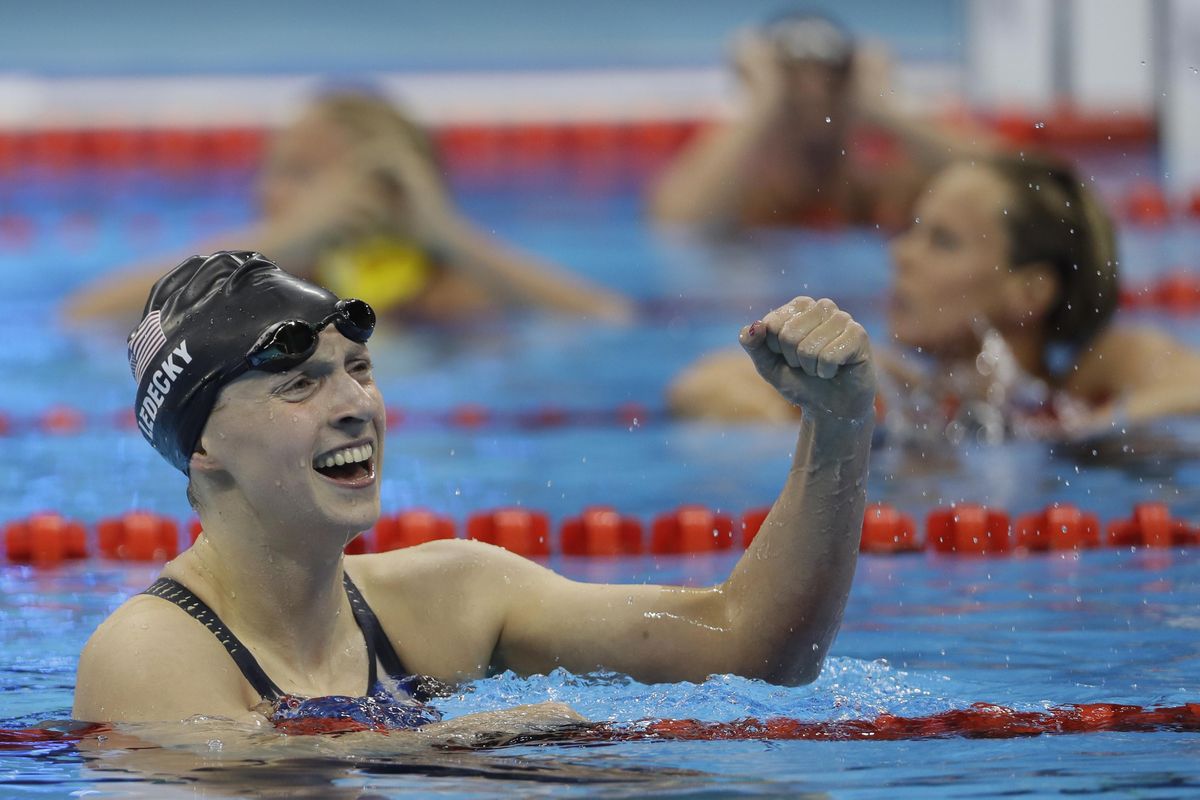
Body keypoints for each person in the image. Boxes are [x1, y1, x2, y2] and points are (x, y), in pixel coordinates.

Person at [72, 251, 876, 726]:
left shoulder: (451, 595)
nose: (355, 405)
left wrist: (837, 428)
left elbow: (752, 646)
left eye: (358, 370)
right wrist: (474, 745)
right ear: (203, 442)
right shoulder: (148, 657)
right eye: (301, 385)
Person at [669, 154, 1200, 433]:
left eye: (942, 241)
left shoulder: (1096, 379)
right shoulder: (901, 398)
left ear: (1028, 292)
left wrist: (1077, 430)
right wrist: (840, 424)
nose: (901, 254)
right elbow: (702, 388)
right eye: (913, 229)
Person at [64, 91, 631, 326]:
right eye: (287, 171)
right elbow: (89, 316)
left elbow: (606, 320)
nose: (323, 203)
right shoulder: (246, 291)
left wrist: (448, 235)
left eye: (309, 176)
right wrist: (289, 236)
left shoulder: (444, 293)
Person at [650, 12, 990, 233]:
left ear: (852, 88)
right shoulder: (745, 192)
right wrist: (762, 103)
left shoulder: (880, 187)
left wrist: (885, 109)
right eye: (793, 79)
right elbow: (673, 222)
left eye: (831, 79)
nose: (814, 92)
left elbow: (1011, 180)